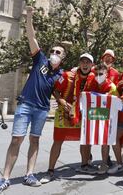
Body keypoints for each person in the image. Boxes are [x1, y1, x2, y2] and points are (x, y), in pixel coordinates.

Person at [0, 6, 65, 194]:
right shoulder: (40, 59)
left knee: (35, 140)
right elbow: (31, 37)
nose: (55, 54)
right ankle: (5, 178)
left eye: (59, 52)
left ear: (63, 58)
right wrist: (30, 17)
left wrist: (62, 101)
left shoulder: (62, 74)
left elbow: (60, 89)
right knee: (17, 139)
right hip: (26, 104)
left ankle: (29, 174)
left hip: (42, 109)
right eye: (53, 51)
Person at [40, 53, 96, 184]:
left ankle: (84, 165)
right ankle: (50, 170)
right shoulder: (67, 75)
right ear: (79, 63)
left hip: (82, 114)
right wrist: (62, 101)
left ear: (92, 65)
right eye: (83, 61)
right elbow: (55, 91)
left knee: (85, 140)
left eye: (88, 62)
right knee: (58, 140)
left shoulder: (94, 78)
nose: (85, 64)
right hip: (64, 112)